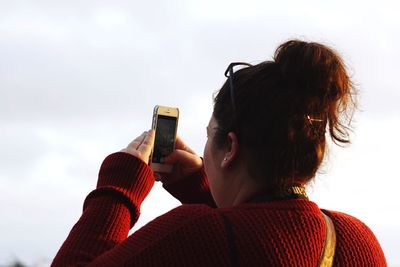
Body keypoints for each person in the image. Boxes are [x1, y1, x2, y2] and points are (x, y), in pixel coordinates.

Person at [52, 40, 386, 266]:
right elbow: (267, 236)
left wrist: (119, 188)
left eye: (211, 137)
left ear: (231, 149)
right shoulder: (357, 241)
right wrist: (203, 187)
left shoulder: (199, 232)